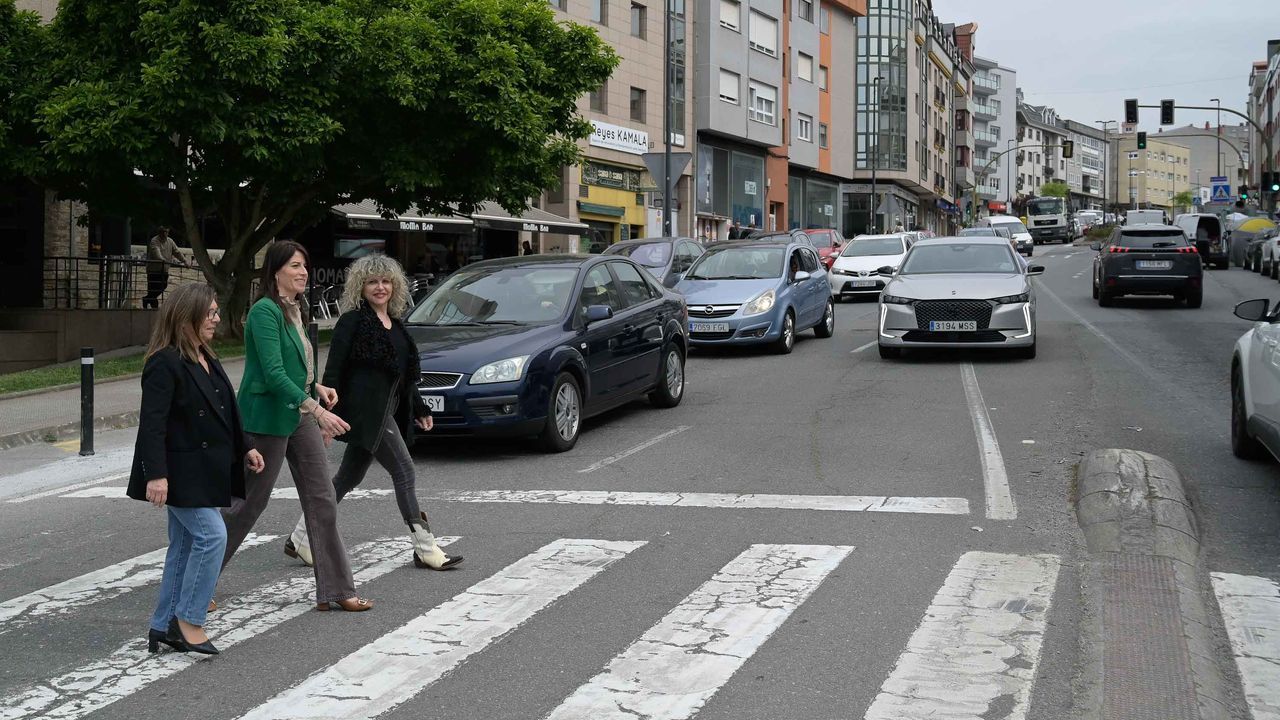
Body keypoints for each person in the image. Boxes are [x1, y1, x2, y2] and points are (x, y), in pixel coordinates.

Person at [219, 240, 374, 613]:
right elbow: (272, 374)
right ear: (275, 272)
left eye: (304, 265)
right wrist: (318, 412)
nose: (303, 272)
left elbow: (296, 365)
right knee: (247, 505)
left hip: (297, 413)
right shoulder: (264, 312)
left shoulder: (296, 310)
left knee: (322, 501)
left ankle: (336, 591)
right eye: (294, 266)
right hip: (267, 418)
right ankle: (196, 582)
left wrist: (315, 386)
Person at [284, 254, 462, 571]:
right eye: (372, 282)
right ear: (360, 287)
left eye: (385, 281)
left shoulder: (397, 325)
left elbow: (403, 376)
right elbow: (333, 372)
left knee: (347, 478)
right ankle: (424, 547)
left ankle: (300, 539)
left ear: (395, 285)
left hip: (387, 411)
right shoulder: (353, 321)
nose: (380, 287)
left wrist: (418, 406)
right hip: (366, 413)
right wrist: (325, 418)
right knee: (404, 471)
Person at [128, 283, 265, 655]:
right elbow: (152, 424)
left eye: (217, 312)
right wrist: (156, 474)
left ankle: (162, 625)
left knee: (186, 544)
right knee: (212, 537)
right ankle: (187, 620)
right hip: (179, 473)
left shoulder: (206, 355)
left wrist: (246, 447)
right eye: (211, 313)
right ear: (186, 316)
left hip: (206, 469)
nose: (216, 320)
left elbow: (227, 411)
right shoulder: (164, 362)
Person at [143, 227, 194, 309]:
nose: (164, 234)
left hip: (164, 269)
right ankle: (152, 305)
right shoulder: (154, 241)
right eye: (163, 232)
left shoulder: (170, 241)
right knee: (153, 289)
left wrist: (185, 261)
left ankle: (147, 299)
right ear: (159, 232)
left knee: (163, 286)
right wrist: (163, 260)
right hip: (153, 270)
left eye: (166, 232)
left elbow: (177, 252)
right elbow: (156, 253)